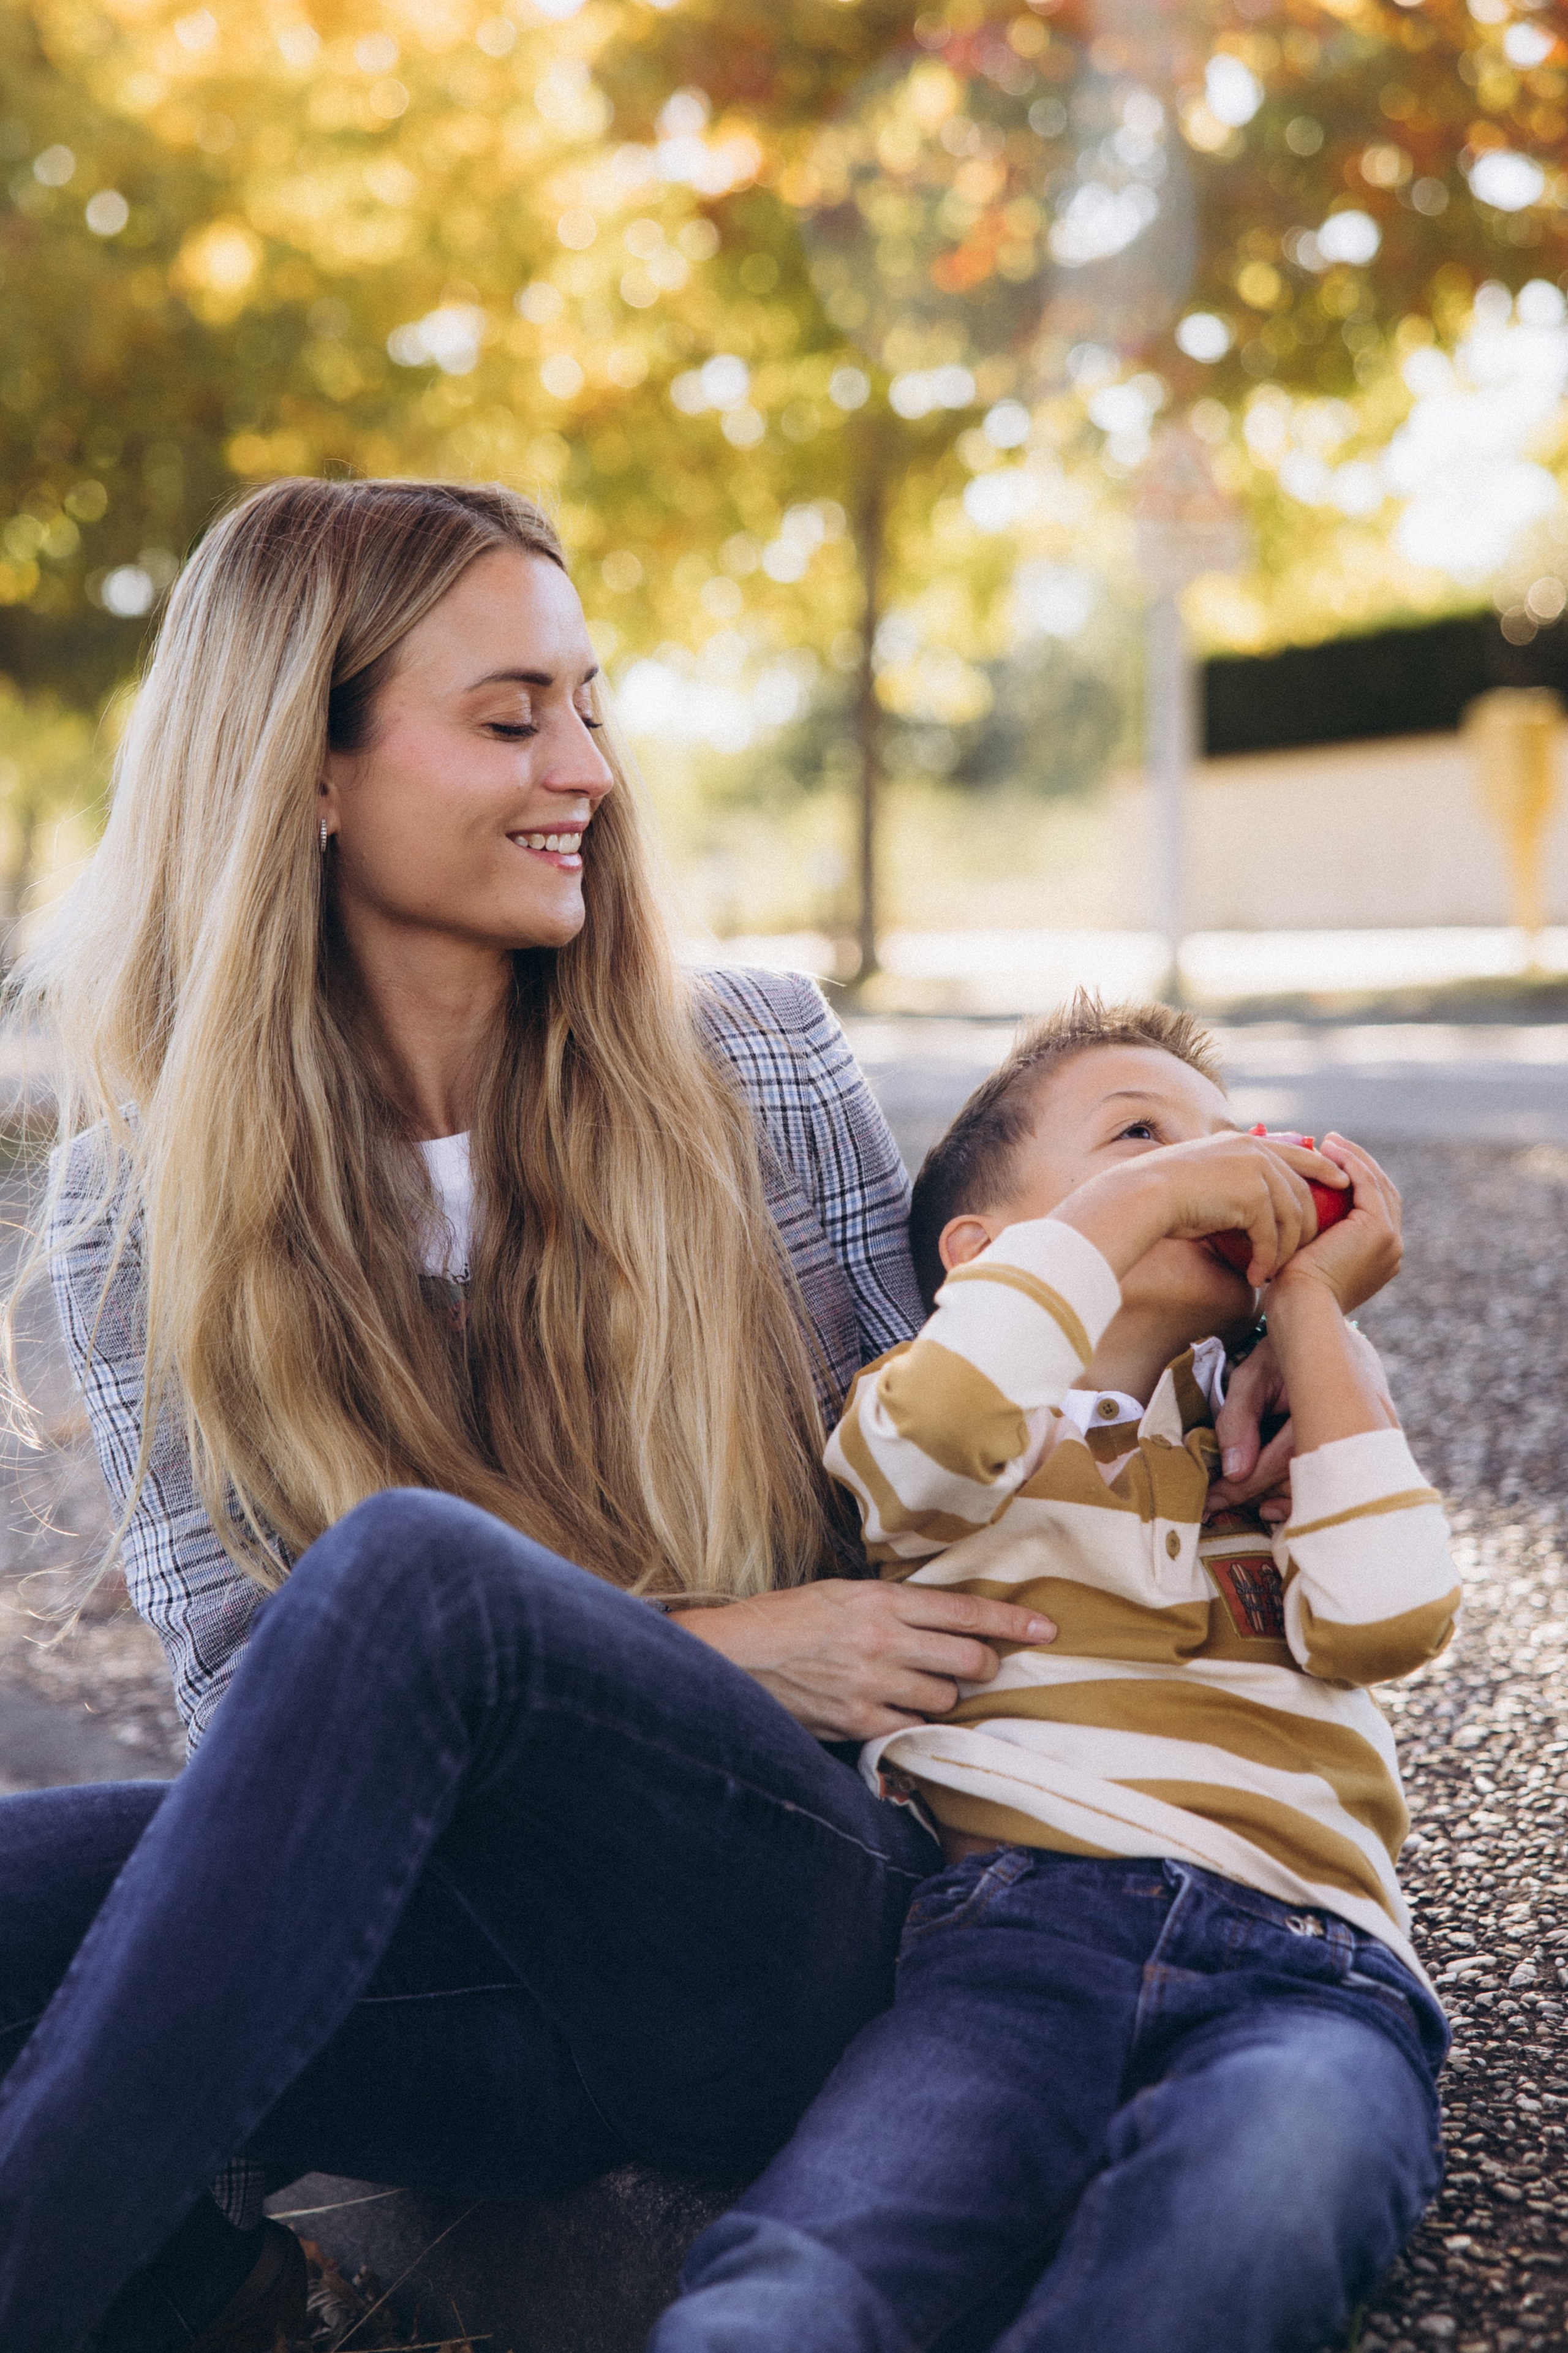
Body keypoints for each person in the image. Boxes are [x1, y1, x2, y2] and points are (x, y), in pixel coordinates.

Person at [0, 477, 1077, 2353]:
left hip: (780, 1929)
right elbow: (264, 1727)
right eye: (512, 718)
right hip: (479, 1999)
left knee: (411, 1576)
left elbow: (942, 1515)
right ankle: (224, 2297)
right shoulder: (141, 1207)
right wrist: (739, 1641)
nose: (585, 767)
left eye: (588, 703)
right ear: (305, 771)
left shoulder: (754, 1059)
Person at [650, 999, 1457, 2353]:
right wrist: (1148, 1201)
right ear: (983, 1255)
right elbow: (945, 1419)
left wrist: (1312, 1312)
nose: (1214, 1164)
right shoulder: (939, 1424)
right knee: (804, 2271)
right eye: (1138, 1135)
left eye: (1224, 1138)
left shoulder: (1273, 1447)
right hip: (1014, 1950)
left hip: (1310, 1973)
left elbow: (1389, 1615)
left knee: (1252, 2212)